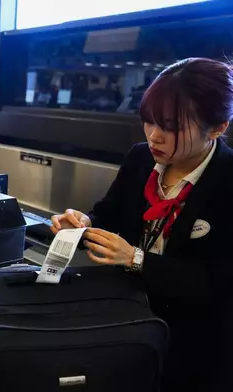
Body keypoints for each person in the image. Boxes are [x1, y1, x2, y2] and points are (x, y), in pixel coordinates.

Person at [50, 58, 233, 392]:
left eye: (170, 127)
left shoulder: (227, 181)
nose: (153, 135)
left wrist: (136, 258)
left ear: (218, 127)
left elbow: (216, 284)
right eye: (148, 121)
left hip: (192, 344)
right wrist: (81, 223)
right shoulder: (140, 158)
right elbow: (109, 212)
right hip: (124, 320)